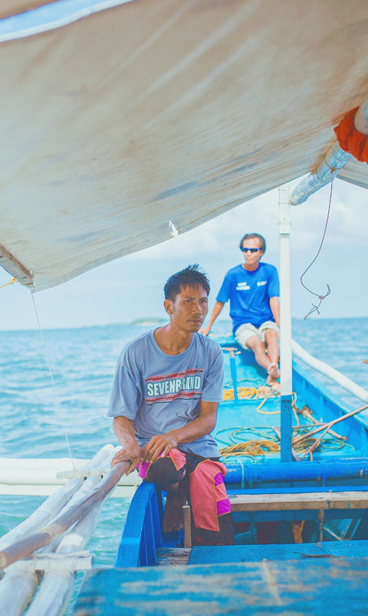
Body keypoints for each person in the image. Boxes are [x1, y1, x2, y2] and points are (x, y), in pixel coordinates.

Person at [108, 264, 234, 545]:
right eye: (188, 302)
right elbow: (121, 416)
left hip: (197, 447)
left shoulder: (210, 351)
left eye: (203, 301)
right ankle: (175, 492)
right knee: (166, 468)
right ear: (169, 306)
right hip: (157, 450)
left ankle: (213, 554)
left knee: (207, 482)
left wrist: (173, 437)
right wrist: (130, 444)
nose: (198, 310)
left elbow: (208, 420)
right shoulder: (136, 352)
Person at [201, 233, 281, 384]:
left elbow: (273, 298)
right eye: (245, 250)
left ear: (261, 252)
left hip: (266, 320)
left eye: (252, 250)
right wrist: (208, 325)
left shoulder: (270, 271)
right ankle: (273, 370)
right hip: (243, 324)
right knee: (257, 344)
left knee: (271, 335)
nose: (248, 254)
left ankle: (272, 374)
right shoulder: (233, 275)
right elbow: (220, 301)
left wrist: (278, 322)